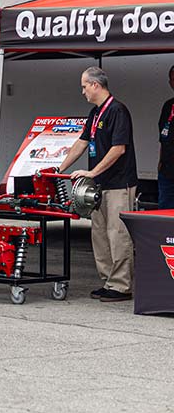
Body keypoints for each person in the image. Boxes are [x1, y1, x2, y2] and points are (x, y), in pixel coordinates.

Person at [58, 67, 137, 302]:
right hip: (99, 186)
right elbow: (81, 144)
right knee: (100, 234)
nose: (82, 91)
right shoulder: (95, 113)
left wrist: (91, 171)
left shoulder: (117, 110)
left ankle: (121, 286)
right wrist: (59, 168)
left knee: (118, 234)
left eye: (84, 86)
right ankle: (108, 281)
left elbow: (118, 149)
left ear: (95, 85)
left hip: (118, 184)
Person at [158, 65, 174, 209]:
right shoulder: (168, 106)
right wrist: (160, 161)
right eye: (172, 79)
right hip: (167, 169)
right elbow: (162, 138)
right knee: (165, 209)